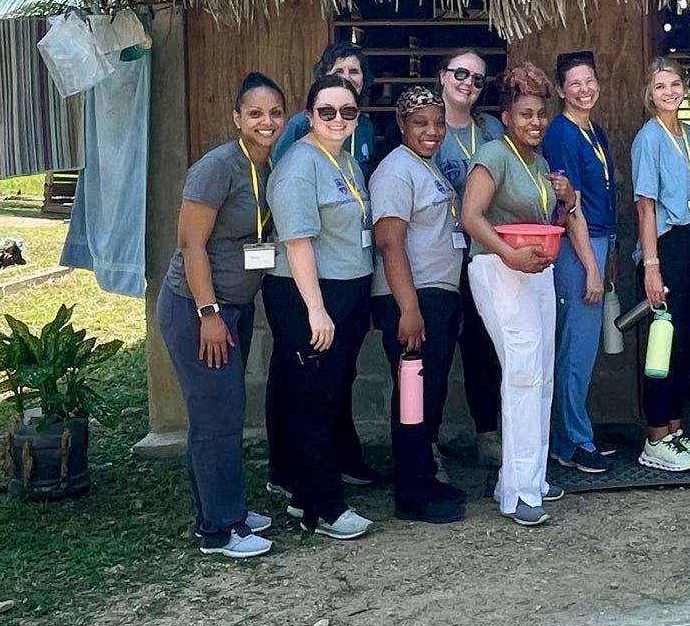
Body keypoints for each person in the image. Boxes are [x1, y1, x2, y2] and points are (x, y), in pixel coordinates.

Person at [459, 62, 600, 527]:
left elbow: (551, 225)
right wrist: (506, 255)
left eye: (541, 114)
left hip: (536, 271)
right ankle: (516, 492)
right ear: (507, 118)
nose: (535, 122)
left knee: (540, 375)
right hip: (500, 269)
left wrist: (567, 199)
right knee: (521, 373)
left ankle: (531, 479)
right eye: (525, 115)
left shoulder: (539, 164)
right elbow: (472, 216)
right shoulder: (494, 155)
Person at [155, 72, 285, 558]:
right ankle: (219, 529)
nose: (265, 122)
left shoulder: (269, 166)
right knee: (216, 417)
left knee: (224, 412)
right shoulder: (217, 168)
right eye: (255, 113)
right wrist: (208, 313)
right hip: (197, 309)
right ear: (237, 118)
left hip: (236, 307)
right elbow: (190, 244)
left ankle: (221, 507)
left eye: (274, 113)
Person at [262, 74, 375, 540]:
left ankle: (306, 494)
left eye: (346, 112)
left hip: (344, 292)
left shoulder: (346, 161)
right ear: (309, 116)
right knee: (316, 401)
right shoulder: (299, 165)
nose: (337, 119)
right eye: (326, 111)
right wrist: (316, 309)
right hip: (308, 295)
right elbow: (298, 242)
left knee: (328, 395)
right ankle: (324, 509)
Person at [368, 84, 471, 524]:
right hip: (411, 299)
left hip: (436, 295)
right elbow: (390, 243)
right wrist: (408, 309)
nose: (432, 131)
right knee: (413, 394)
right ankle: (410, 492)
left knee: (431, 394)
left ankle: (424, 477)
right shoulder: (395, 172)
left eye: (438, 122)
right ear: (401, 125)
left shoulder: (425, 167)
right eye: (420, 123)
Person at [632, 57, 690, 472]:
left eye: (675, 84)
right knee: (662, 347)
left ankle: (675, 432)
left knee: (684, 345)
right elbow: (645, 206)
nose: (669, 92)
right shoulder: (649, 137)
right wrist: (651, 265)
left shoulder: (686, 134)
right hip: (665, 247)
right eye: (661, 86)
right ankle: (655, 437)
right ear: (649, 93)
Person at [538, 51, 618, 474]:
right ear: (560, 90)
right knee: (576, 347)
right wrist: (590, 265)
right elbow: (570, 208)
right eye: (574, 84)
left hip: (600, 242)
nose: (584, 89)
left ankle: (573, 431)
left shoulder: (593, 130)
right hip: (577, 247)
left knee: (582, 349)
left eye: (589, 81)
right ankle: (570, 441)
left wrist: (610, 254)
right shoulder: (561, 135)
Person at [434, 48, 506, 469]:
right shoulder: (426, 125)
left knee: (483, 346)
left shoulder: (492, 129)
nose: (469, 83)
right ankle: (428, 442)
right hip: (437, 256)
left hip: (484, 252)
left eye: (478, 79)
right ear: (443, 76)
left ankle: (487, 434)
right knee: (436, 349)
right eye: (461, 73)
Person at [271, 42, 382, 176]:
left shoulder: (365, 127)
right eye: (338, 71)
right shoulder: (300, 124)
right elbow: (279, 174)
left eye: (354, 72)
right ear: (323, 77)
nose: (347, 78)